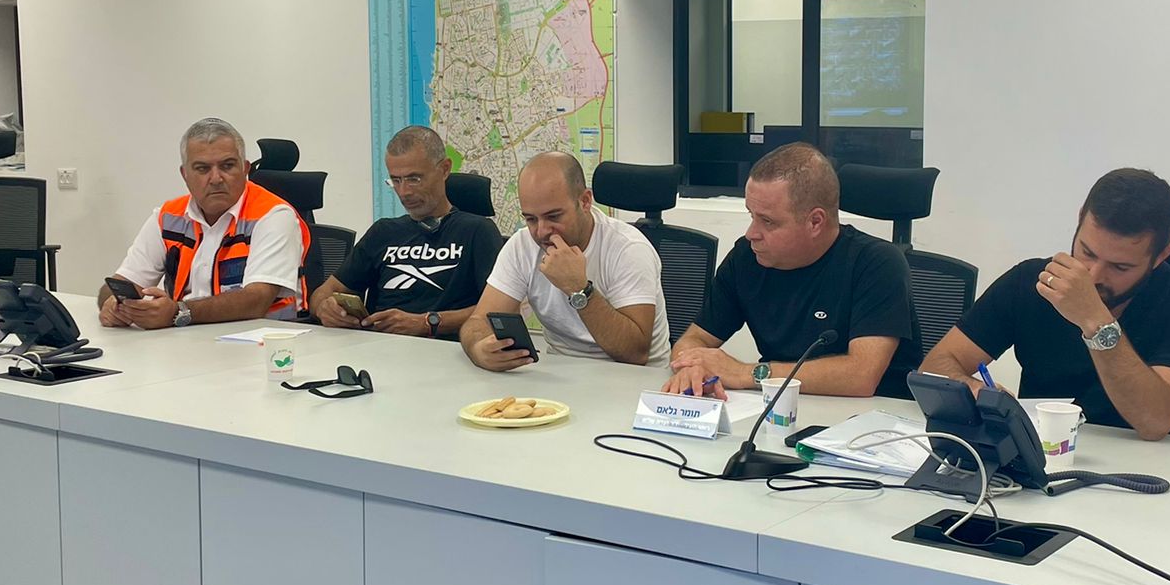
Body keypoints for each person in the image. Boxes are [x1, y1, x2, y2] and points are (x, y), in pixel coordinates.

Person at [919, 168, 1170, 438]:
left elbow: (1155, 421)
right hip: (1047, 455)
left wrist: (1095, 320)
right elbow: (935, 367)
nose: (1093, 275)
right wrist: (972, 390)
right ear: (1079, 221)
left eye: (1120, 267)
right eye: (1087, 252)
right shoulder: (1032, 281)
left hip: (1158, 467)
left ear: (1161, 256)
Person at [665, 143, 917, 399]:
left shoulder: (877, 263)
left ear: (815, 222)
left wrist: (746, 373)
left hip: (872, 414)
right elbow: (694, 339)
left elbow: (860, 376)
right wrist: (692, 366)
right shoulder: (747, 257)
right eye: (751, 216)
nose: (751, 233)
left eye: (767, 221)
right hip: (780, 407)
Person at [461, 152, 668, 369]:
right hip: (560, 373)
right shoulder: (522, 245)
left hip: (633, 377)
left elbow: (635, 354)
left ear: (585, 201)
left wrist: (578, 289)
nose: (541, 231)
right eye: (531, 219)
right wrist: (478, 348)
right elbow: (477, 322)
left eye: (553, 216)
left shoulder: (629, 248)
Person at [101, 118, 309, 329]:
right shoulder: (167, 216)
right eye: (202, 169)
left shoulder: (273, 215)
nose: (216, 178)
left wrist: (178, 312)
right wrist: (116, 305)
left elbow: (256, 300)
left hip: (263, 341)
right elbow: (122, 281)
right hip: (184, 339)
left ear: (245, 169)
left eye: (227, 166)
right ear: (185, 174)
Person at [308, 125, 501, 339]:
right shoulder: (383, 232)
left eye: (414, 179)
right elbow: (323, 293)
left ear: (445, 169)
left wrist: (427, 322)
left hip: (444, 349)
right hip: (379, 346)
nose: (404, 192)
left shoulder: (477, 231)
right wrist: (324, 308)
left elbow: (498, 309)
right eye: (396, 180)